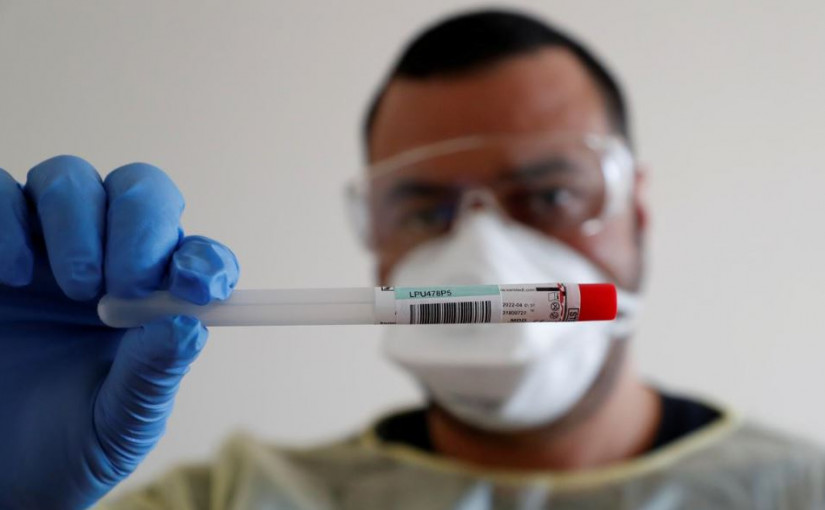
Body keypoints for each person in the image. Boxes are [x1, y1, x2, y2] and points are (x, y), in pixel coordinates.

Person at [1, 9, 823, 510]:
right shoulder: (231, 498)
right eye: (425, 208)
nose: (481, 250)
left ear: (636, 211)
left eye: (547, 194)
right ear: (374, 235)